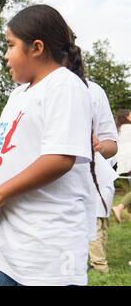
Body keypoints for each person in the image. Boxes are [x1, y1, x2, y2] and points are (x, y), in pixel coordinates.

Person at [0, 4, 94, 286]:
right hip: (8, 248)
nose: (5, 55)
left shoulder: (65, 86)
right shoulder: (19, 95)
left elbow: (59, 159)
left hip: (47, 252)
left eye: (10, 45)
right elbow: (7, 150)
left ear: (36, 47)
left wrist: (1, 192)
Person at [86, 81, 118, 274]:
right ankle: (99, 264)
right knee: (98, 226)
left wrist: (99, 147)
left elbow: (111, 146)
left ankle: (99, 265)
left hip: (101, 179)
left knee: (99, 226)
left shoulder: (94, 91)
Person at [111, 109, 131, 223]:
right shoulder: (129, 128)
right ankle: (119, 208)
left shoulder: (118, 129)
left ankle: (130, 217)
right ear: (127, 117)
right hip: (129, 161)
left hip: (121, 162)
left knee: (129, 191)